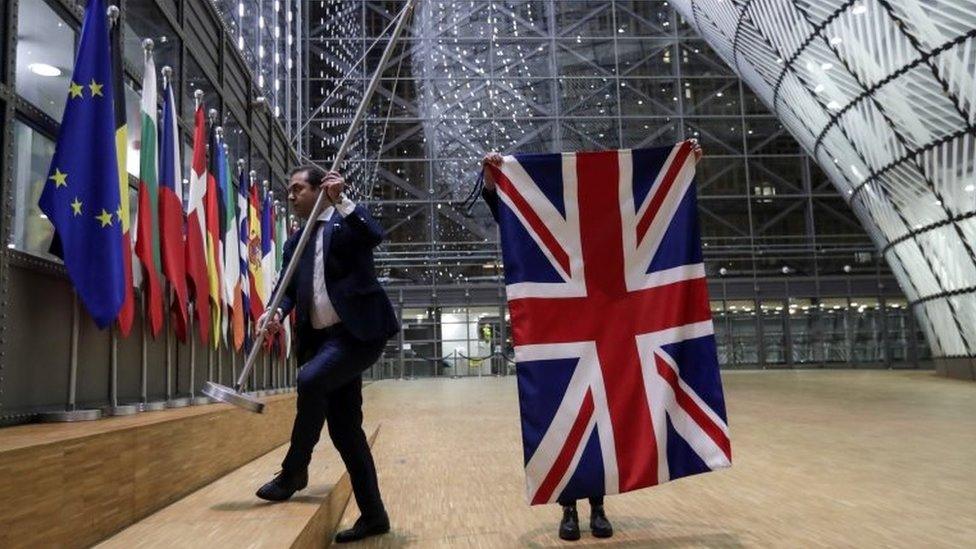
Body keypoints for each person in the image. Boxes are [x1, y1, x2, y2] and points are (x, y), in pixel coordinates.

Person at [480, 139, 703, 542]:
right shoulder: (549, 224)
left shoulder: (608, 228)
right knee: (560, 410)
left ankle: (598, 506)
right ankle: (568, 509)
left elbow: (655, 214)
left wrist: (681, 169)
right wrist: (495, 183)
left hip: (606, 323)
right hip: (558, 325)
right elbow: (516, 221)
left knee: (605, 412)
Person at [255, 165, 399, 544]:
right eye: (289, 189)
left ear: (321, 189)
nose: (291, 195)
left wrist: (344, 201)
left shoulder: (346, 222)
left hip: (358, 334)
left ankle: (294, 471)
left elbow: (374, 235)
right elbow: (287, 288)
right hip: (322, 342)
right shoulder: (295, 242)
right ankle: (374, 515)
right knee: (346, 432)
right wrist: (274, 314)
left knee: (310, 379)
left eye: (298, 188)